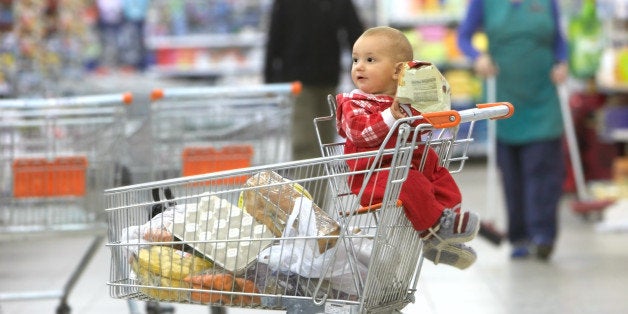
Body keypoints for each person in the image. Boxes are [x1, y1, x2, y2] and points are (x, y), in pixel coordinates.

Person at [336, 26, 480, 270]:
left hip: (403, 165)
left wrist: (432, 112)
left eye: (370, 60)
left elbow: (420, 132)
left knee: (438, 173)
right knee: (409, 181)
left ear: (399, 71)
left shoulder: (404, 101)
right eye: (356, 59)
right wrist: (391, 117)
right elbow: (360, 132)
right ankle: (434, 229)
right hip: (373, 175)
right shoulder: (354, 102)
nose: (359, 66)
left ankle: (442, 230)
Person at [457, 0, 569, 260]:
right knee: (511, 170)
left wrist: (562, 62)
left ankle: (543, 234)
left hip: (543, 94)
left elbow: (559, 41)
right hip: (503, 94)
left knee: (542, 168)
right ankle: (519, 235)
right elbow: (464, 37)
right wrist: (478, 56)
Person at [264, 0, 364, 160]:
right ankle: (307, 185)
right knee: (305, 141)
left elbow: (354, 32)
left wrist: (361, 68)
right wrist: (269, 79)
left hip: (327, 78)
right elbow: (275, 35)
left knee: (325, 141)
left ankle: (318, 184)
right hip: (298, 81)